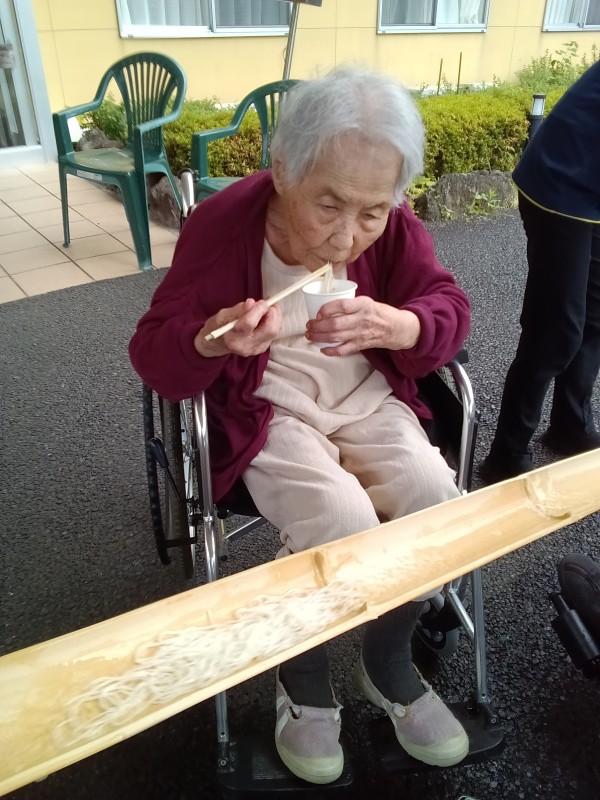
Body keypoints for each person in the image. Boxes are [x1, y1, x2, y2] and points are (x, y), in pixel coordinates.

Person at [130, 67, 471, 785]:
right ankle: (303, 675)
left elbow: (447, 307)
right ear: (283, 169)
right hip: (268, 404)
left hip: (366, 393)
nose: (347, 236)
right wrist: (212, 340)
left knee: (434, 498)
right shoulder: (224, 226)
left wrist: (402, 325)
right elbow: (153, 349)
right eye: (329, 205)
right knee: (340, 517)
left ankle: (387, 659)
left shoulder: (391, 227)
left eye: (372, 212)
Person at [481, 60, 600, 484]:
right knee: (556, 330)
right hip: (560, 184)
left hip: (593, 189)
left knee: (595, 316)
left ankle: (571, 424)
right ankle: (506, 455)